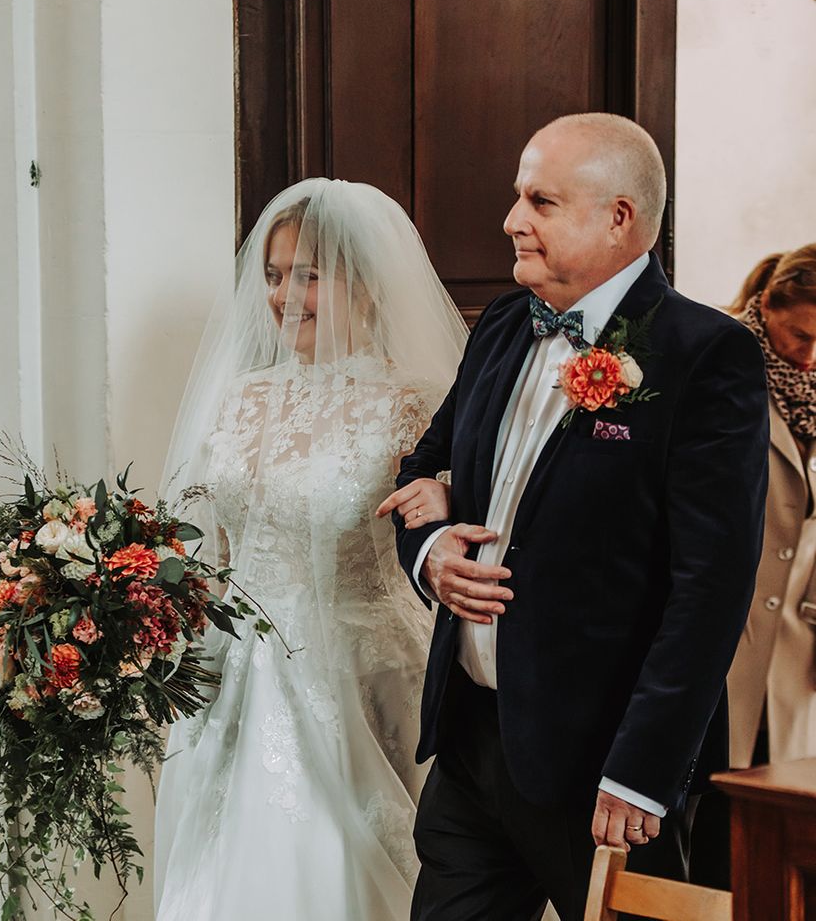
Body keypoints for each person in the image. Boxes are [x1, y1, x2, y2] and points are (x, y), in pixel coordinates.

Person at [390, 113, 770, 921]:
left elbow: (712, 586)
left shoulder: (705, 354)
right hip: (471, 743)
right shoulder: (500, 324)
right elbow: (423, 468)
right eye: (516, 197)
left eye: (541, 200)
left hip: (605, 764)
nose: (511, 219)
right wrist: (430, 553)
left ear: (618, 217)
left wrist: (644, 768)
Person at [153, 179, 468, 920]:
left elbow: (441, 539)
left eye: (308, 275)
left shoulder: (412, 404)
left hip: (357, 677)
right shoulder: (242, 395)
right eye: (271, 274)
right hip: (232, 675)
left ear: (364, 284)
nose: (284, 295)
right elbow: (213, 546)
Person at [691, 244, 816, 889]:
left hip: (798, 643)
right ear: (769, 304)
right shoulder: (721, 363)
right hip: (728, 628)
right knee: (719, 808)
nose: (811, 355)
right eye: (802, 335)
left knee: (782, 811)